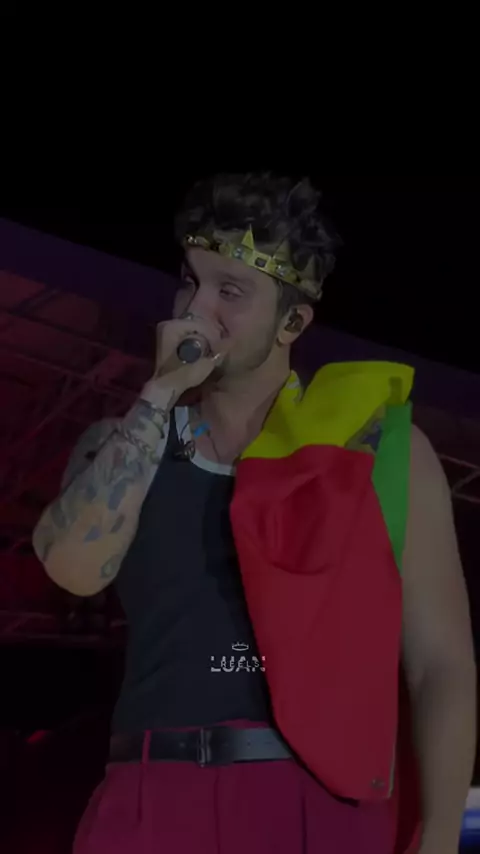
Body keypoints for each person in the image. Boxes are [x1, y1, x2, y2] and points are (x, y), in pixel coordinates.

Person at [32, 173, 476, 854]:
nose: (195, 309)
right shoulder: (126, 442)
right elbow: (72, 570)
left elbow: (440, 662)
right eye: (190, 281)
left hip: (314, 803)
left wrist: (441, 834)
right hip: (151, 795)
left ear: (292, 323)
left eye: (230, 292)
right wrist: (159, 394)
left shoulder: (377, 446)